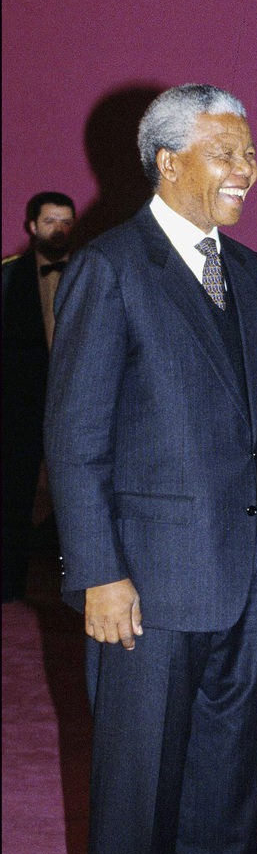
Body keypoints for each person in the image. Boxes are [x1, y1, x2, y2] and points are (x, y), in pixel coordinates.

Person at [44, 84, 257, 854]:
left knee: (225, 793)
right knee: (133, 806)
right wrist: (98, 573)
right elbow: (73, 441)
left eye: (246, 152)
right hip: (142, 594)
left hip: (238, 579)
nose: (245, 169)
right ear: (168, 159)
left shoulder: (252, 271)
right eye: (226, 152)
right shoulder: (109, 268)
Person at [2, 192, 76, 601]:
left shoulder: (91, 270)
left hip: (76, 406)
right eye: (50, 221)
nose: (59, 229)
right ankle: (9, 585)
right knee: (13, 495)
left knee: (79, 498)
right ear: (32, 226)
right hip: (19, 408)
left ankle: (77, 588)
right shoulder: (8, 277)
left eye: (66, 221)